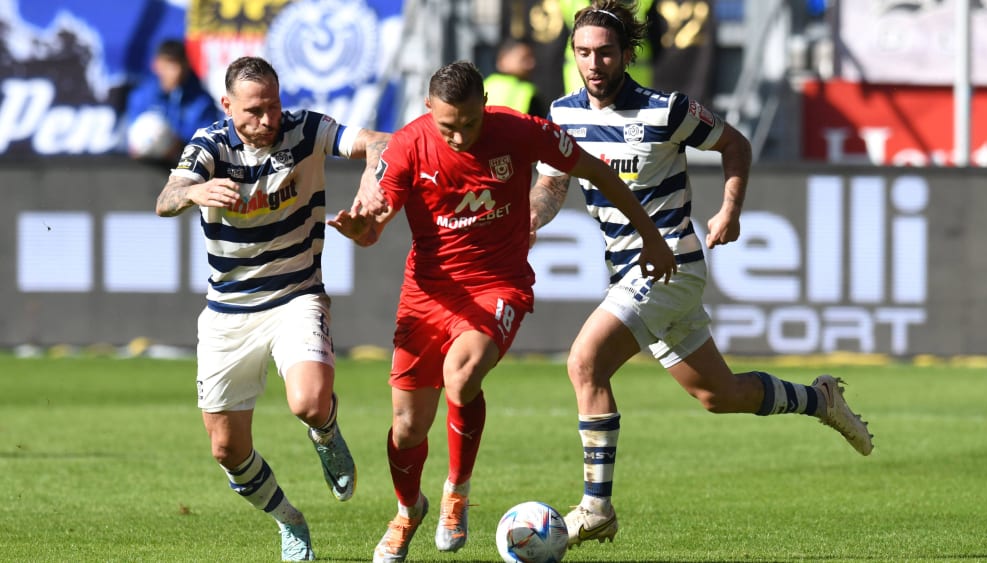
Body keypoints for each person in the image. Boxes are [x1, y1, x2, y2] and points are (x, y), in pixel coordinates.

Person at [528, 0, 875, 550]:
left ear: (627, 54)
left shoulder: (666, 109)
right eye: (583, 53)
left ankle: (595, 508)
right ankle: (820, 401)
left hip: (671, 264)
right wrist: (530, 220)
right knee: (720, 394)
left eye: (605, 53)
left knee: (584, 361)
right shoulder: (563, 113)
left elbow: (735, 144)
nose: (593, 64)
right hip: (626, 272)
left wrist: (729, 209)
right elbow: (551, 187)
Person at [328, 60, 673, 563]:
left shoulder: (520, 131)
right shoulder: (408, 145)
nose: (462, 134)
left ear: (485, 104)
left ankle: (457, 492)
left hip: (499, 286)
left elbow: (596, 170)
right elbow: (377, 221)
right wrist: (363, 230)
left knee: (461, 374)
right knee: (406, 428)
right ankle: (407, 512)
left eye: (471, 121)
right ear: (429, 110)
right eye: (449, 125)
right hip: (427, 295)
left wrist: (651, 236)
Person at [154, 56, 391, 562]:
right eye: (254, 110)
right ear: (227, 106)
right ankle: (289, 519)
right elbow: (166, 197)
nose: (266, 120)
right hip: (228, 311)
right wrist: (194, 190)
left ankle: (325, 432)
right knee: (227, 450)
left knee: (307, 401)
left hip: (296, 294)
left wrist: (372, 174)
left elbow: (379, 140)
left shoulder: (305, 130)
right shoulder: (210, 146)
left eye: (273, 106)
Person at [125, 39, 220, 164]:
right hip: (144, 167)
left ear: (186, 65)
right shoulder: (141, 95)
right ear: (156, 64)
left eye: (177, 64)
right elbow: (134, 133)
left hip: (185, 168)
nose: (175, 71)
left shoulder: (202, 102)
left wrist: (177, 145)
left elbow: (207, 144)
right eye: (168, 64)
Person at [483, 38, 548, 118]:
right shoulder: (528, 91)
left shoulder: (484, 85)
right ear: (504, 59)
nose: (531, 64)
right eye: (524, 59)